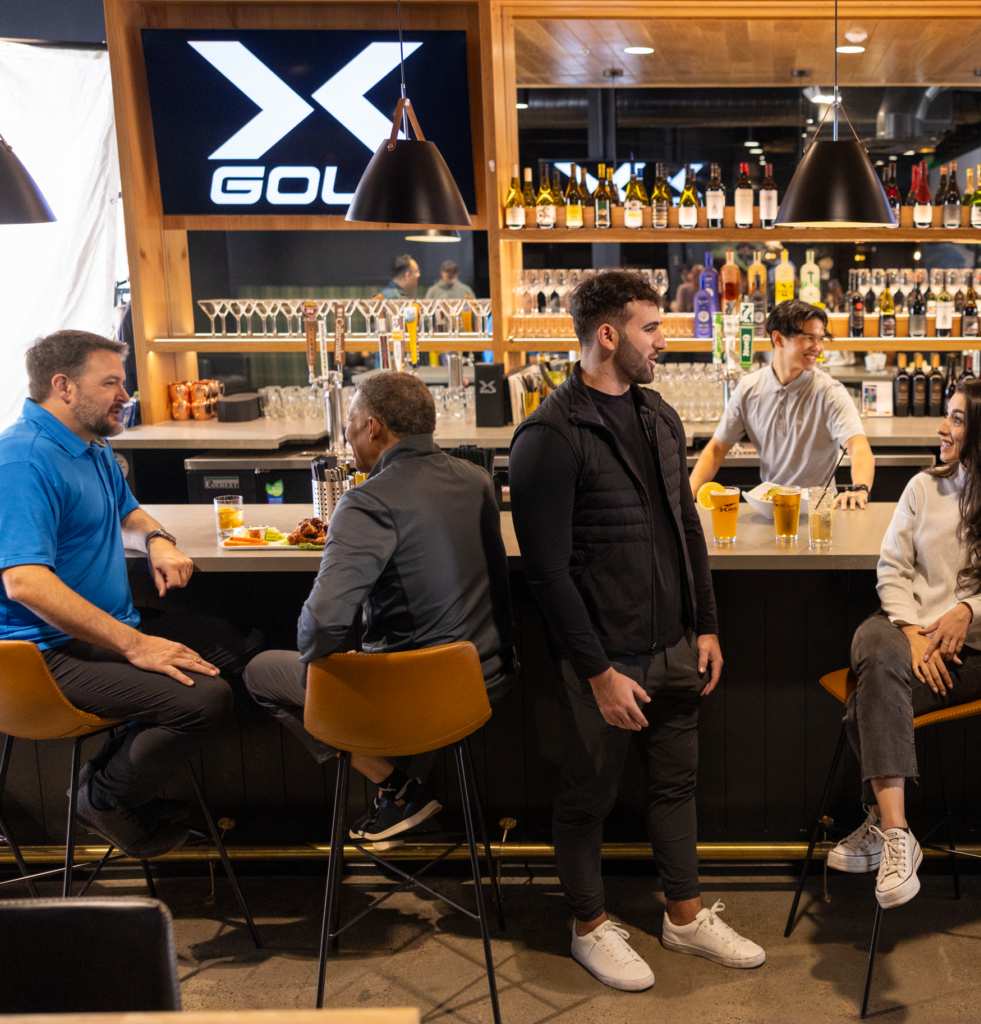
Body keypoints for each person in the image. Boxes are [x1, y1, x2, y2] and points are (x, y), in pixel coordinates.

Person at [508, 270, 763, 991]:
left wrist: (706, 625)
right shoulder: (549, 435)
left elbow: (686, 526)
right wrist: (597, 672)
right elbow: (547, 575)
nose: (663, 341)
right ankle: (588, 926)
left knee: (676, 785)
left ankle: (684, 917)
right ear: (607, 334)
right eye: (651, 328)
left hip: (675, 644)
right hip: (603, 659)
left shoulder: (659, 416)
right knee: (587, 794)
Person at [0, 331, 264, 859]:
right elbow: (24, 582)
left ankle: (107, 779)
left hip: (106, 630)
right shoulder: (23, 461)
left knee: (243, 649)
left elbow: (129, 511)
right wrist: (136, 646)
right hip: (41, 654)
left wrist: (157, 539)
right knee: (205, 701)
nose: (126, 395)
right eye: (111, 384)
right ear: (63, 387)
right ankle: (105, 799)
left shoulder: (90, 443)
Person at [244, 372, 516, 848]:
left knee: (261, 672)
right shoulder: (478, 480)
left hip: (411, 697)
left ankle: (396, 787)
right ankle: (401, 790)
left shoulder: (366, 501)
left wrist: (341, 662)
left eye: (350, 423)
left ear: (373, 427)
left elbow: (319, 629)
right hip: (485, 683)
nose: (347, 436)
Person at [828, 380, 981, 909]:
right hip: (902, 633)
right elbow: (892, 569)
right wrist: (912, 633)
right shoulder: (923, 487)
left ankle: (882, 825)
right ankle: (898, 835)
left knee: (868, 698)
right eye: (947, 416)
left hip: (973, 654)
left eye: (957, 419)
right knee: (873, 639)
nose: (942, 428)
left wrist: (968, 610)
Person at [689, 300, 875, 509]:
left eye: (821, 339)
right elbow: (715, 450)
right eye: (809, 338)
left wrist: (860, 489)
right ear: (778, 338)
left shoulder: (830, 392)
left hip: (819, 511)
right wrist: (687, 496)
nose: (818, 348)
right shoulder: (748, 389)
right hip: (770, 506)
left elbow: (858, 446)